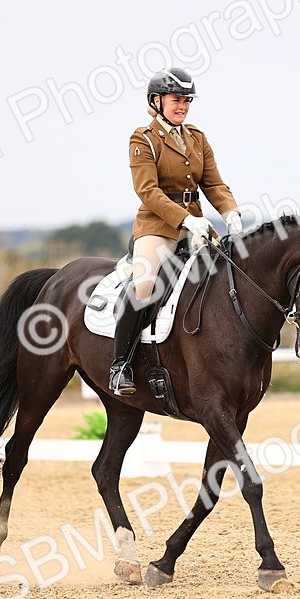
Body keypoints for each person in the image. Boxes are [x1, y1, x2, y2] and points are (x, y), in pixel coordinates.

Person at [109, 68, 244, 396]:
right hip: (158, 227)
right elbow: (148, 191)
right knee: (144, 286)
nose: (182, 106)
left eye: (186, 100)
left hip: (197, 226)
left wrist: (231, 212)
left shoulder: (197, 138)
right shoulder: (143, 139)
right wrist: (186, 220)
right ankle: (120, 365)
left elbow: (213, 182)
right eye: (176, 100)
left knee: (229, 276)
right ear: (156, 101)